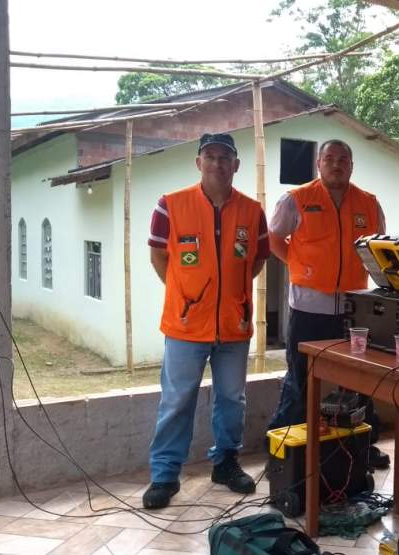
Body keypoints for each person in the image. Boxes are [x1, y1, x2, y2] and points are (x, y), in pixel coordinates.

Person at [143, 133, 269, 509]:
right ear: (198, 163)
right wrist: (185, 294)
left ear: (236, 165)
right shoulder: (170, 205)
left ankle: (225, 463)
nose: (217, 163)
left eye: (224, 157)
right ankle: (164, 475)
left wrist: (232, 296)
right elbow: (158, 256)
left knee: (232, 399)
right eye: (210, 156)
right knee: (177, 400)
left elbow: (257, 260)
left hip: (234, 326)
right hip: (185, 327)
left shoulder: (252, 211)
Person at [266, 139, 390, 469]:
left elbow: (377, 247)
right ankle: (284, 453)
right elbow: (273, 238)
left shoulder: (369, 203)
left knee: (358, 381)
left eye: (343, 159)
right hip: (308, 309)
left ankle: (362, 446)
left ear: (351, 166)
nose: (336, 164)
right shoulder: (296, 199)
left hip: (354, 309)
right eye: (330, 158)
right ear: (318, 164)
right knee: (300, 381)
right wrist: (297, 264)